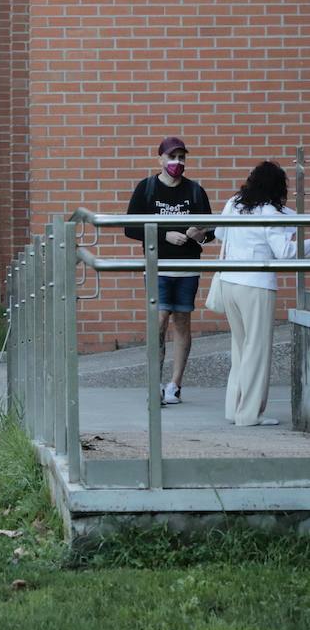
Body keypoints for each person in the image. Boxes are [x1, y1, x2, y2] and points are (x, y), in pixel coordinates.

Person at [214, 162, 309, 427]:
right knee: (257, 350)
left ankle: (235, 409)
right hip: (256, 285)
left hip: (229, 281)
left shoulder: (235, 202)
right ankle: (250, 414)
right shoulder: (269, 211)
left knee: (240, 348)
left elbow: (220, 234)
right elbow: (286, 253)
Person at [124, 136, 214, 405]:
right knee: (159, 321)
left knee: (182, 323)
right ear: (160, 159)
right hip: (158, 266)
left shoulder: (195, 191)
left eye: (181, 157)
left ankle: (175, 385)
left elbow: (210, 232)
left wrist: (199, 235)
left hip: (188, 268)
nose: (177, 162)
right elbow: (130, 227)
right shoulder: (147, 188)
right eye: (172, 157)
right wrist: (164, 235)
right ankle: (155, 382)